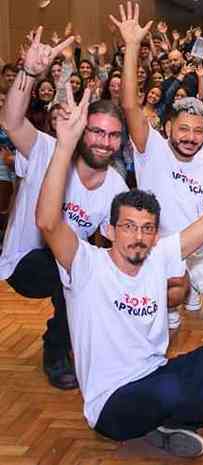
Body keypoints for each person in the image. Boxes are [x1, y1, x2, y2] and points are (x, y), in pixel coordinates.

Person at [36, 75, 203, 456]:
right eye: (128, 227)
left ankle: (169, 422)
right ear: (110, 230)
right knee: (171, 390)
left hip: (157, 375)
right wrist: (65, 145)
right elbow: (48, 222)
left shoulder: (160, 254)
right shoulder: (86, 264)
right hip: (112, 405)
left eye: (147, 229)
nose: (138, 236)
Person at [0, 30, 128, 390]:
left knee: (89, 270)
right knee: (74, 267)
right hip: (24, 262)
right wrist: (28, 72)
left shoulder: (116, 186)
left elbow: (109, 244)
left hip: (66, 264)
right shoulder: (45, 150)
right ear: (81, 131)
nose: (104, 142)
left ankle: (77, 341)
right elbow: (11, 122)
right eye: (97, 132)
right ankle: (56, 351)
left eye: (113, 135)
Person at [115, 6, 203, 329]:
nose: (190, 138)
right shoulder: (151, 146)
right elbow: (129, 105)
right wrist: (133, 45)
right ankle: (175, 295)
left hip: (202, 246)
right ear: (167, 128)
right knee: (174, 290)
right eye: (183, 129)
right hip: (161, 247)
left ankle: (192, 284)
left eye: (197, 131)